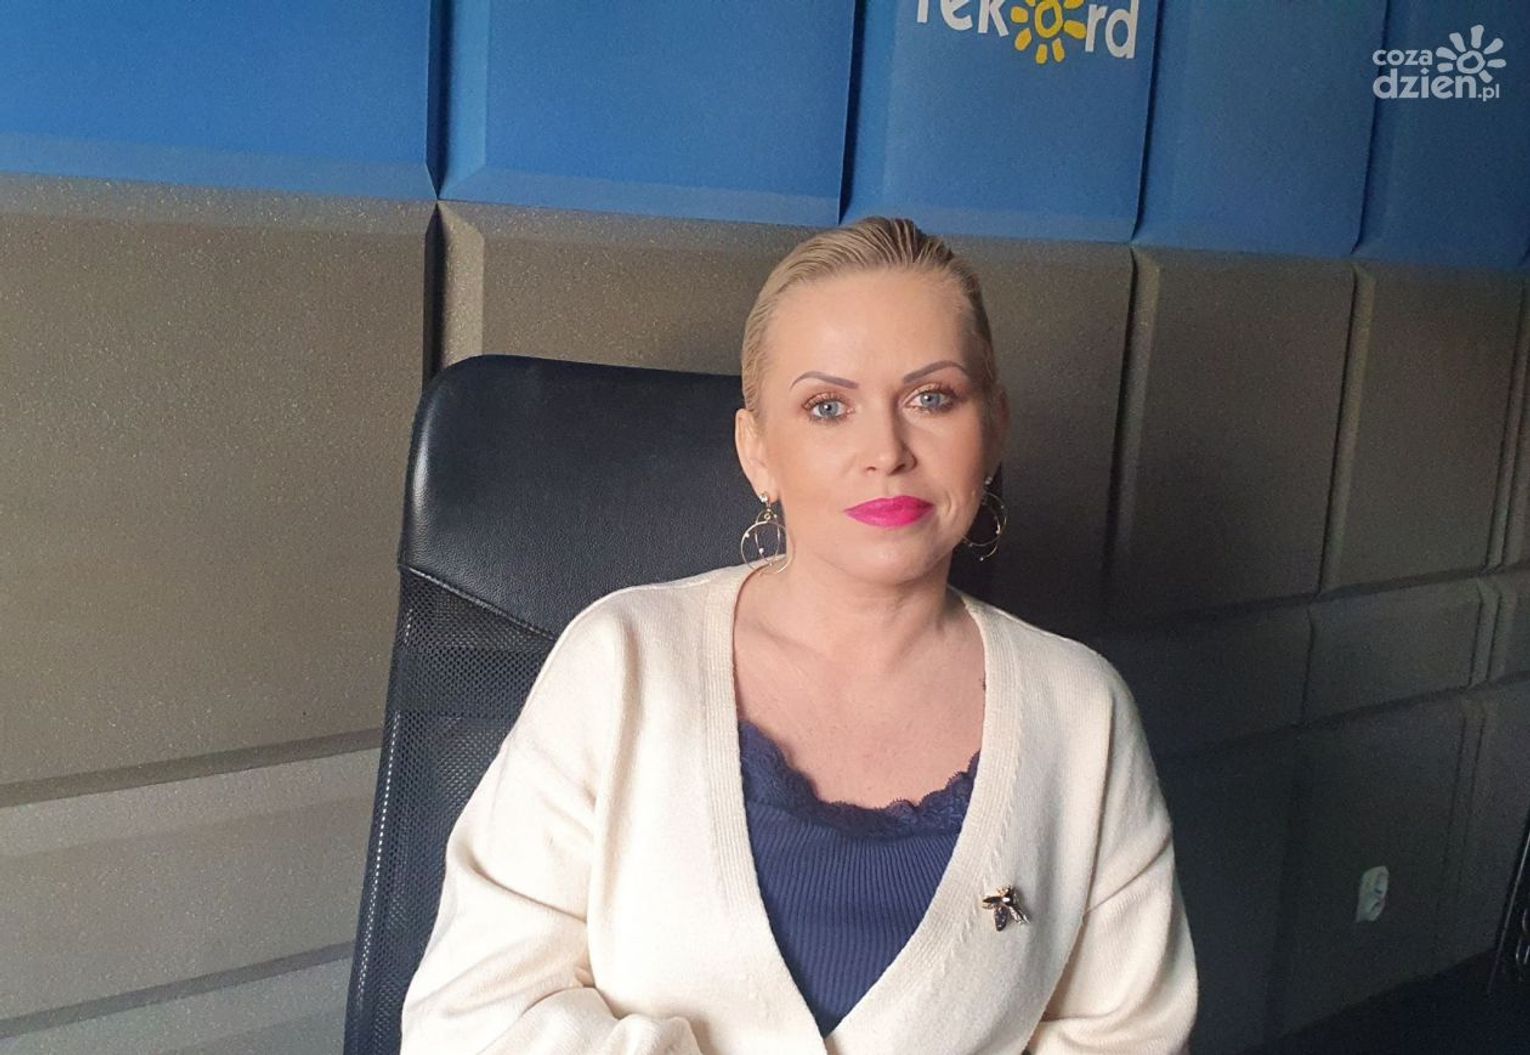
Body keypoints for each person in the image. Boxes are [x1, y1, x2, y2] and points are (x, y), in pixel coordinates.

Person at [399, 216, 1198, 1053]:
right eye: (827, 407)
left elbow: (1132, 1038)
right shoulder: (621, 660)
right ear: (758, 453)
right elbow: (469, 1023)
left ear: (992, 428)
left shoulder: (1083, 711)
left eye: (932, 398)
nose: (885, 450)